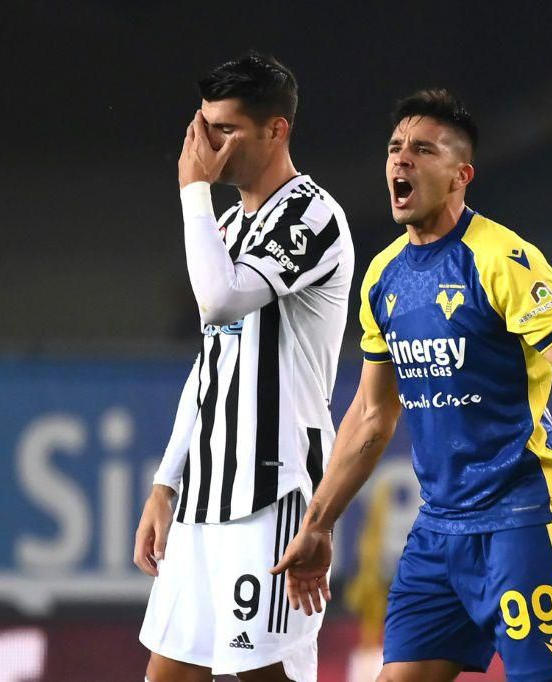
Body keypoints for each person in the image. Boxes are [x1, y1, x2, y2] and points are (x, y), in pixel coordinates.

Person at [272, 89, 552, 682]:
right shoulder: (384, 276)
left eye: (422, 150)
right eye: (395, 147)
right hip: (438, 531)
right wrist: (318, 522)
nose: (400, 160)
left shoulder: (501, 259)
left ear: (461, 175)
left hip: (524, 518)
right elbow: (373, 418)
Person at [133, 53, 355, 682]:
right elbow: (210, 364)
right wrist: (166, 481)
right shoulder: (227, 224)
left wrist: (191, 191)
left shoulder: (312, 216)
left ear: (276, 130)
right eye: (202, 128)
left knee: (264, 676)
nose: (205, 148)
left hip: (274, 492)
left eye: (225, 130)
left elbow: (221, 297)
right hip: (206, 496)